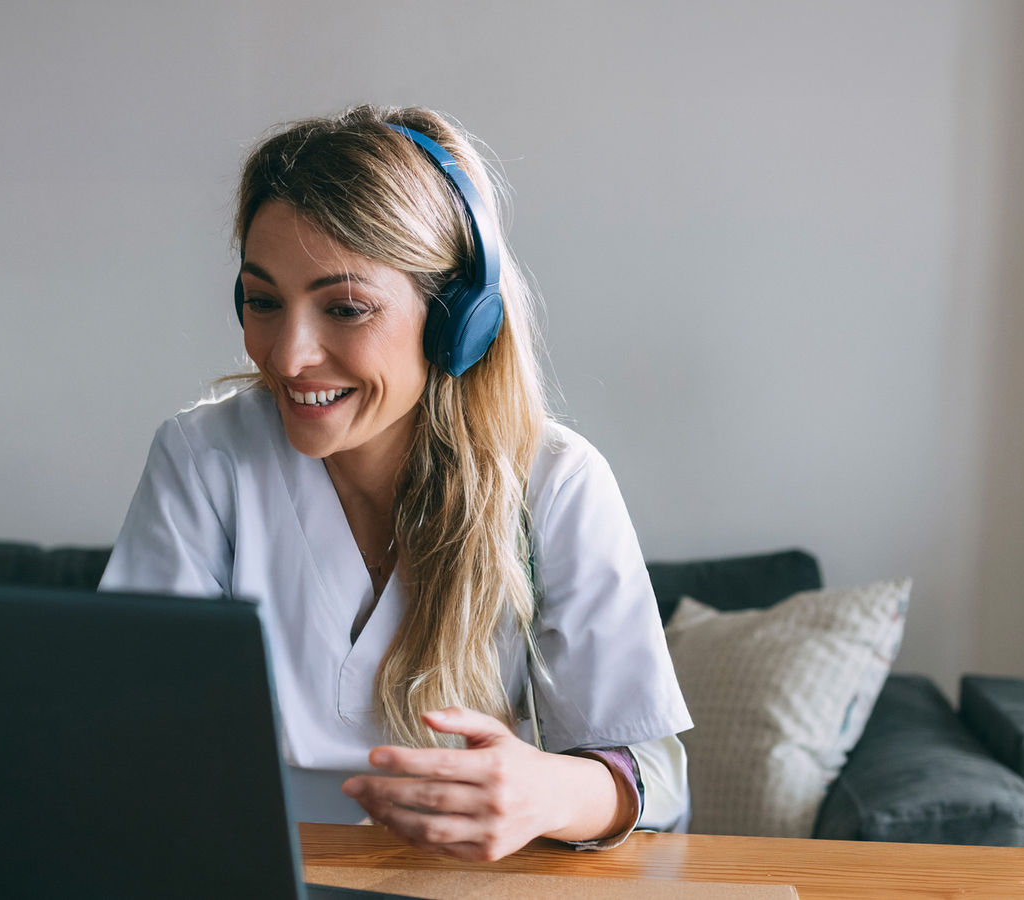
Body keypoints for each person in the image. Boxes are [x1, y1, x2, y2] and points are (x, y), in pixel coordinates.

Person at [99, 105, 692, 862]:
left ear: (455, 318)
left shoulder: (555, 484)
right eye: (263, 301)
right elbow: (120, 730)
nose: (287, 356)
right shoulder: (204, 456)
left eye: (345, 307)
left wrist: (548, 791)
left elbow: (656, 780)